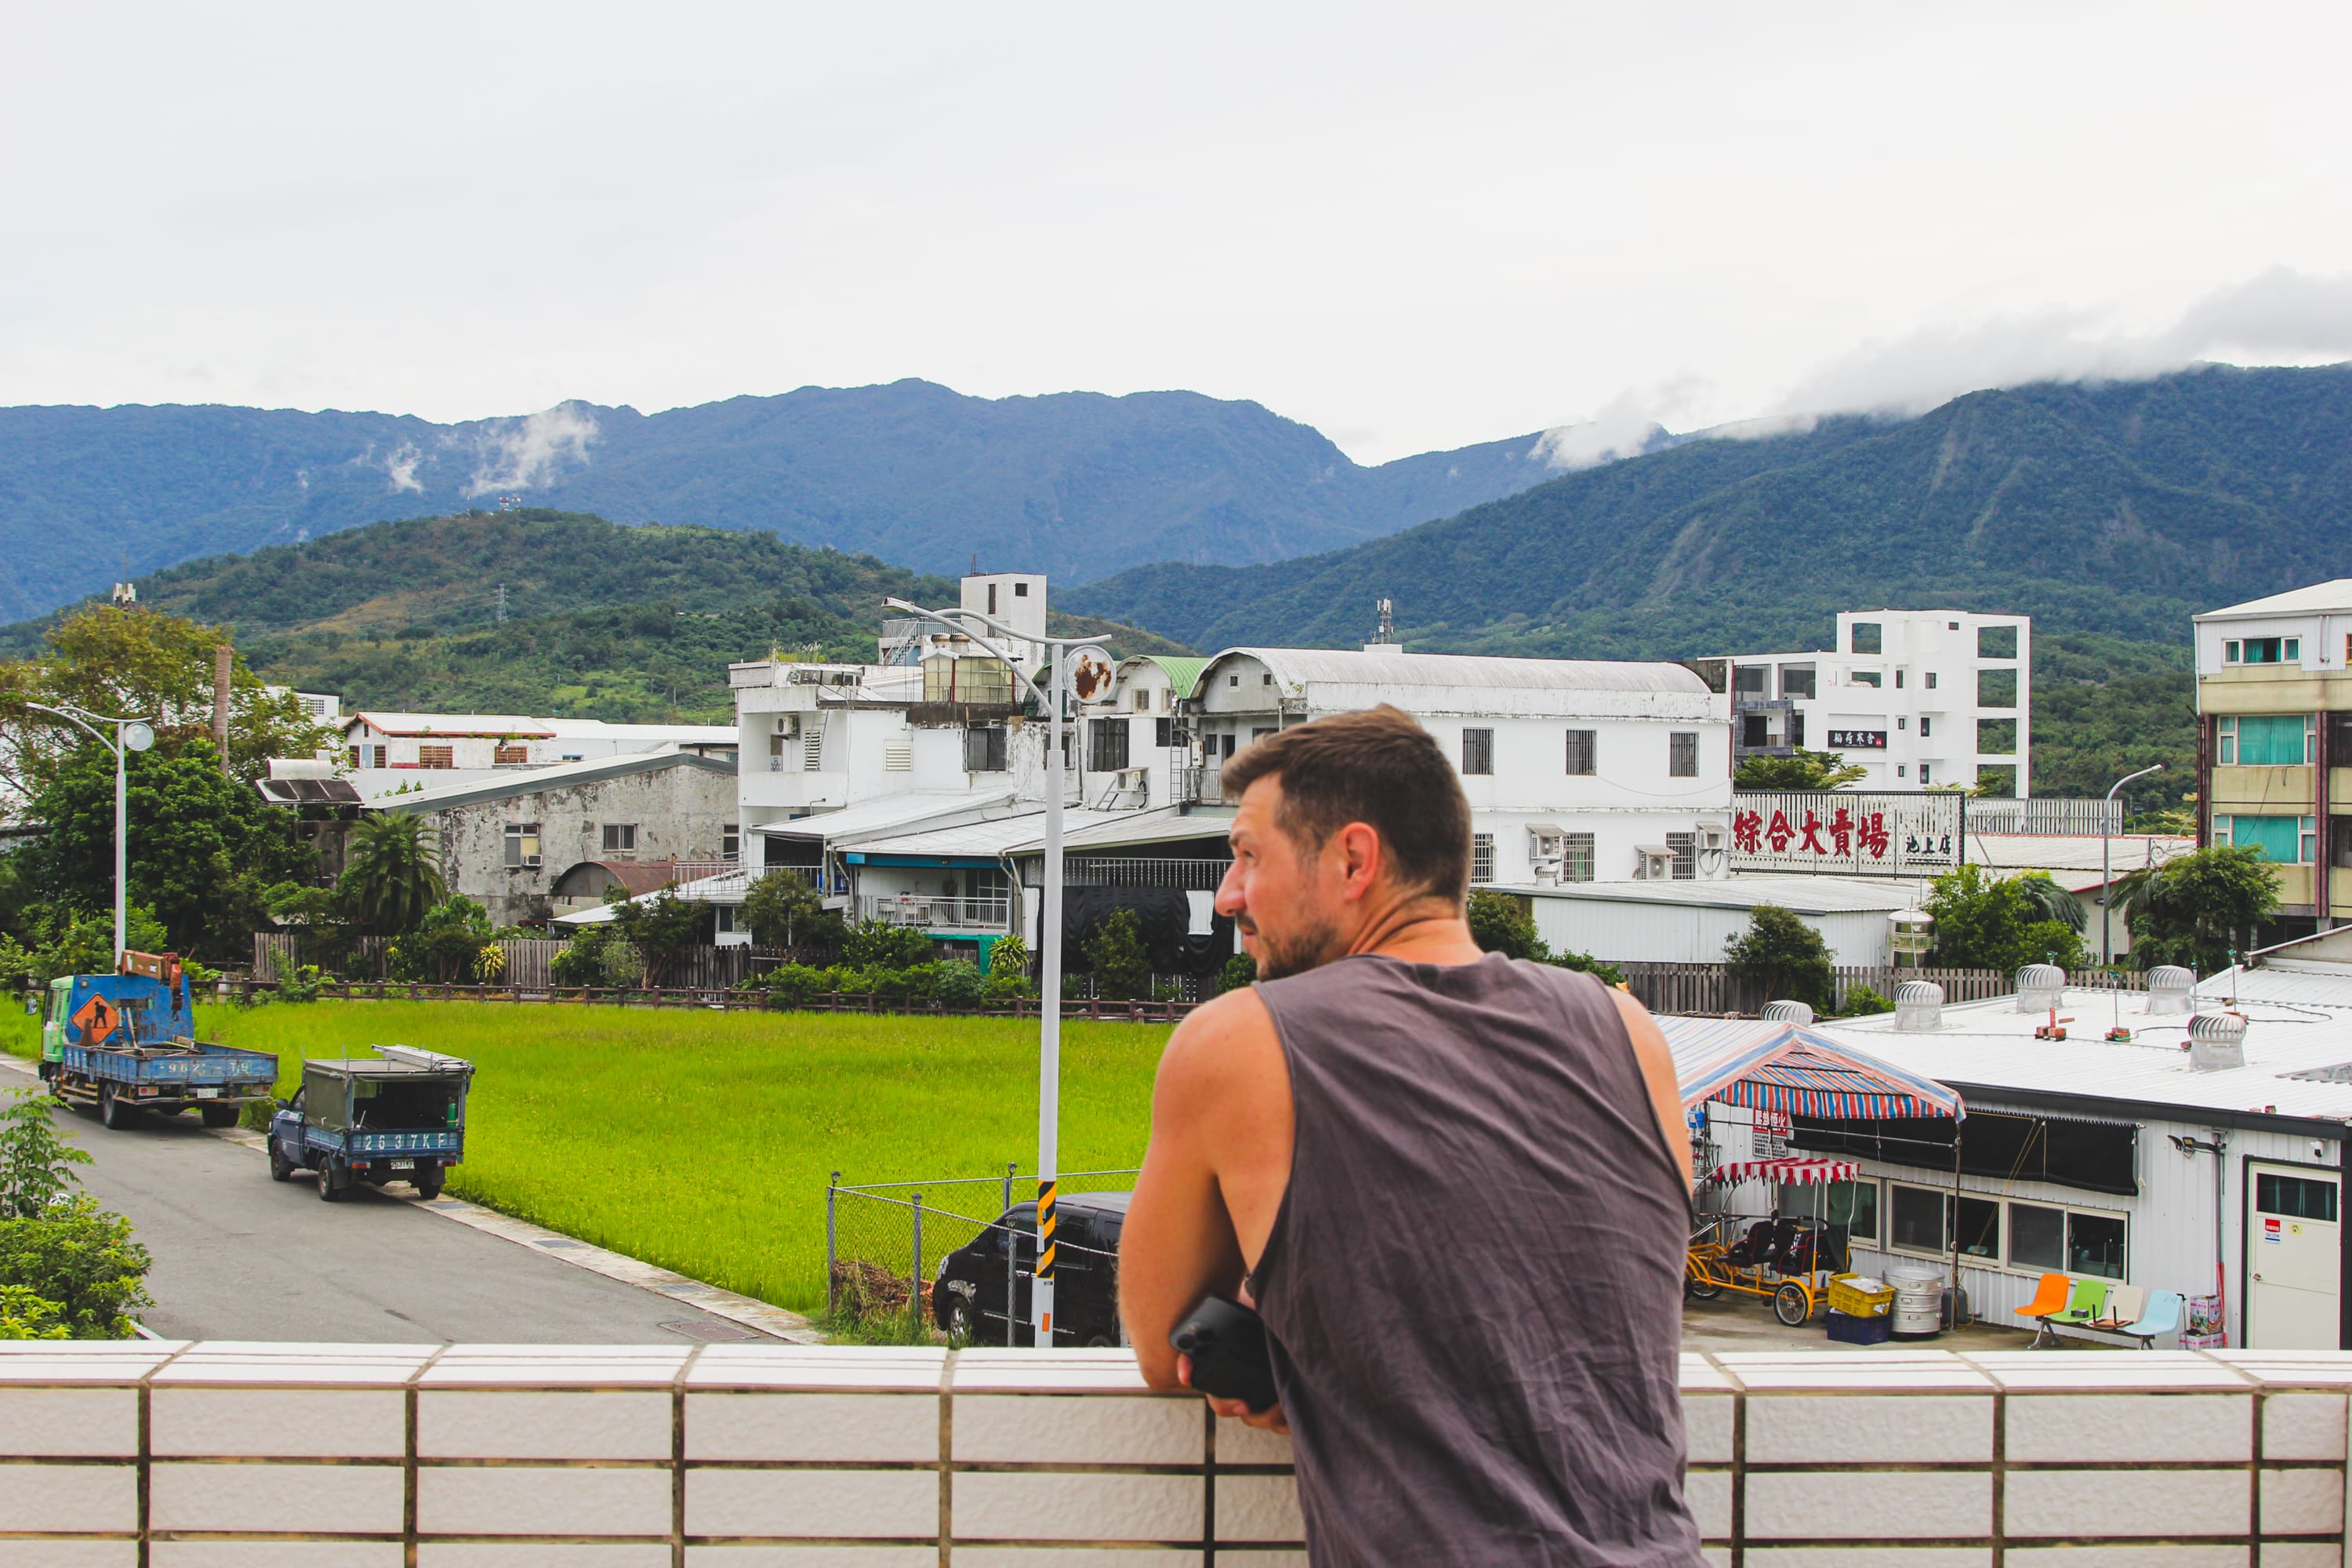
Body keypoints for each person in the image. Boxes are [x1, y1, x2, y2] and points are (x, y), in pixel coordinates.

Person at [1120, 705, 1700, 1566]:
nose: (1226, 895)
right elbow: (1586, 1279)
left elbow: (1167, 1339)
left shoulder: (1234, 1041)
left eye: (1248, 855)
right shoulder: (1626, 1028)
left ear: (1354, 858)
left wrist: (1289, 1334)